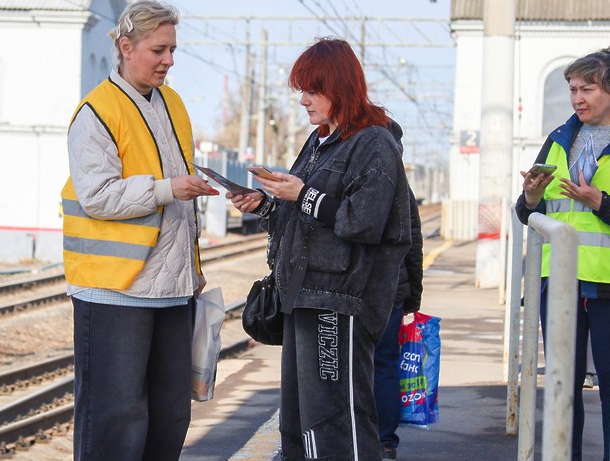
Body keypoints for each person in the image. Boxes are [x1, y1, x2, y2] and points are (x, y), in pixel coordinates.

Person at [228, 37, 412, 460]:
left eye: (312, 90)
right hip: (306, 295)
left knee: (336, 422)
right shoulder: (320, 140)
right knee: (301, 422)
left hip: (341, 300)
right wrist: (267, 203)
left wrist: (302, 195)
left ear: (338, 86)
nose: (304, 101)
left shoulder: (374, 143)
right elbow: (308, 212)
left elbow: (363, 221)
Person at [60, 1, 218, 460]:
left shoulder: (174, 105)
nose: (169, 59)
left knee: (169, 417)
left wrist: (194, 266)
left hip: (171, 290)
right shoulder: (96, 113)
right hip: (114, 291)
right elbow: (98, 195)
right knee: (116, 419)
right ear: (126, 47)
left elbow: (180, 202)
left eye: (172, 49)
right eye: (159, 50)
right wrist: (168, 188)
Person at [515, 46, 610, 461]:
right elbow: (529, 213)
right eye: (573, 89)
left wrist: (603, 203)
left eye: (588, 89)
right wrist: (530, 197)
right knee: (563, 383)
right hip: (558, 282)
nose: (578, 98)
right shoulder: (559, 140)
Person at [373, 188, 423, 461]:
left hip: (351, 289)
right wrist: (413, 296)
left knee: (349, 366)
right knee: (385, 364)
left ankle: (355, 435)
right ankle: (385, 442)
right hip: (392, 289)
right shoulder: (401, 185)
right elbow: (414, 243)